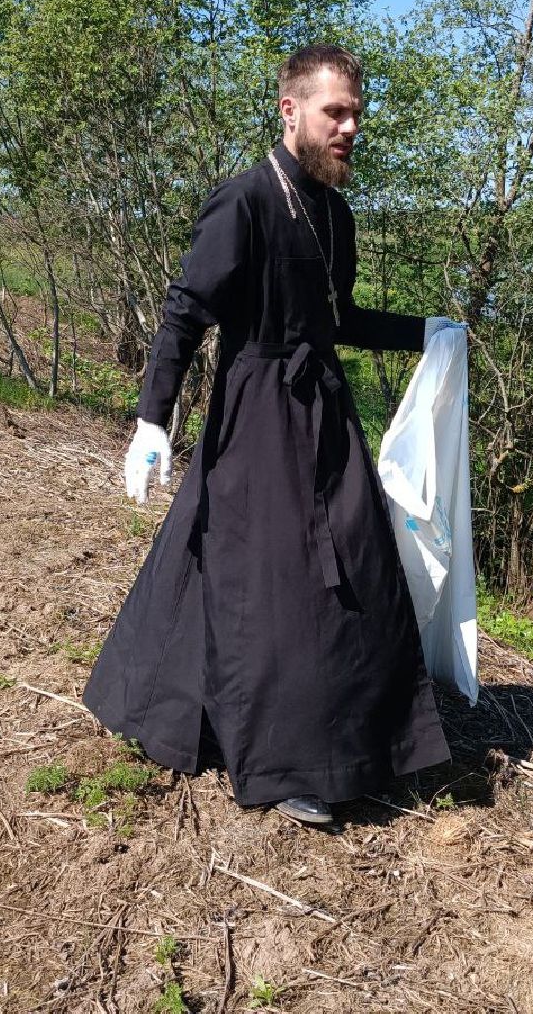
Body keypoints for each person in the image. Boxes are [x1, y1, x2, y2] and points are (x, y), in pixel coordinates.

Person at [83, 44, 465, 826]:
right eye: (336, 113)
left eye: (356, 114)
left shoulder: (334, 212)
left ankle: (347, 730)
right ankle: (290, 759)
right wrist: (152, 420)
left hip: (323, 412)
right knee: (276, 581)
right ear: (291, 111)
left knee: (351, 561)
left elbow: (340, 319)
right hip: (256, 415)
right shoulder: (244, 201)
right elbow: (185, 313)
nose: (350, 128)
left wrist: (425, 332)